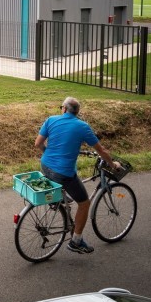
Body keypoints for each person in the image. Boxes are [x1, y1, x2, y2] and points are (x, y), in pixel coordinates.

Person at [34, 96, 120, 255]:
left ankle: (61, 199)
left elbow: (38, 143)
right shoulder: (82, 127)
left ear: (64, 109)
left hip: (45, 166)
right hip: (63, 173)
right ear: (76, 112)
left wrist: (51, 156)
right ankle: (76, 241)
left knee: (68, 179)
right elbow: (100, 150)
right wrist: (112, 164)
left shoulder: (51, 120)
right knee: (84, 203)